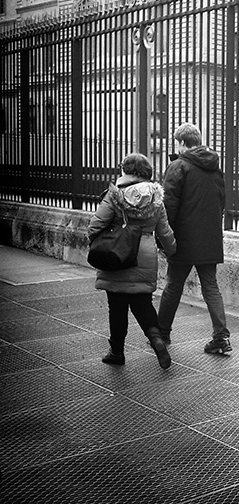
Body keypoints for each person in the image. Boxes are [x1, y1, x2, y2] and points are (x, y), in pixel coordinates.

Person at [88, 152, 176, 369]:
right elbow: (165, 233)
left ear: (127, 171)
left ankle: (116, 352)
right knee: (143, 303)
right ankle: (156, 339)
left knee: (116, 307)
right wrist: (173, 251)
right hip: (144, 256)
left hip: (118, 256)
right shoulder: (156, 199)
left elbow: (94, 227)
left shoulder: (115, 195)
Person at [158, 123, 231, 355]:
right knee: (211, 287)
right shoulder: (214, 166)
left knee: (173, 286)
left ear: (181, 143)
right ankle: (221, 337)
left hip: (183, 239)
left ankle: (162, 332)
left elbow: (168, 206)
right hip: (209, 239)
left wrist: (164, 239)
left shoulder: (178, 166)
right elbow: (222, 201)